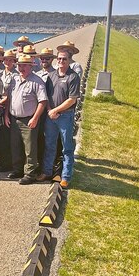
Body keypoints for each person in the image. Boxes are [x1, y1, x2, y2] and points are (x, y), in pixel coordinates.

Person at [5, 54, 48, 184]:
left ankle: (30, 173)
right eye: (19, 65)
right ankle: (17, 170)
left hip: (28, 119)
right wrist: (6, 114)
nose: (21, 68)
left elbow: (43, 102)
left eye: (24, 65)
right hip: (14, 118)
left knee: (30, 148)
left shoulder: (37, 81)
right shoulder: (14, 79)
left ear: (31, 66)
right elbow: (9, 99)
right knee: (15, 146)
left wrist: (35, 118)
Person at [43, 50, 80, 188]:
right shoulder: (51, 75)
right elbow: (46, 96)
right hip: (51, 116)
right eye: (59, 59)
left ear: (69, 60)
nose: (61, 61)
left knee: (67, 148)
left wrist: (55, 110)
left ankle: (65, 177)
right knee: (49, 145)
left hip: (66, 116)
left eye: (64, 59)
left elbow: (72, 99)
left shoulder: (73, 77)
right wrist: (49, 111)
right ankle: (47, 172)